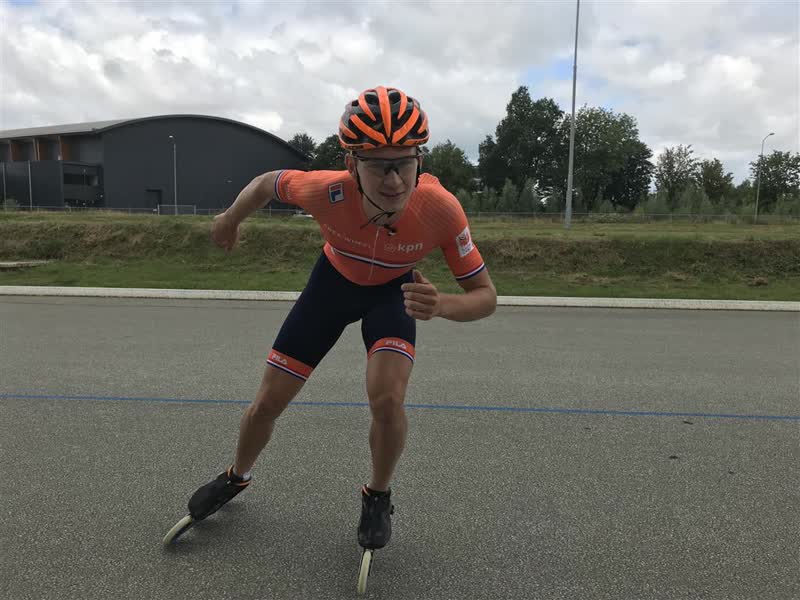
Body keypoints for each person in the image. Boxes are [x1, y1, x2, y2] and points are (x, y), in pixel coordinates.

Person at [187, 86, 497, 551]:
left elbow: (486, 297)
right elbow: (267, 183)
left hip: (392, 292)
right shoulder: (325, 190)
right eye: (378, 165)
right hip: (332, 285)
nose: (394, 181)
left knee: (387, 400)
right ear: (351, 164)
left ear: (420, 159)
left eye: (405, 163)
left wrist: (442, 305)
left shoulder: (440, 209)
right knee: (268, 402)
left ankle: (378, 495)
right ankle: (237, 475)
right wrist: (230, 219)